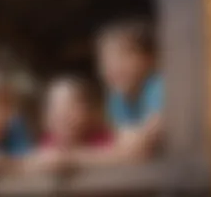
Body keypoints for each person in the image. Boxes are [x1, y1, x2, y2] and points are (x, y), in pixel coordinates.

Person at [68, 19, 163, 167]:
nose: (113, 67)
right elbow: (121, 143)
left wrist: (72, 159)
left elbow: (139, 145)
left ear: (149, 59)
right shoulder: (116, 100)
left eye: (124, 56)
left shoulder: (157, 87)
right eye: (105, 60)